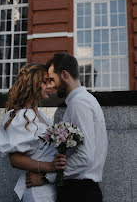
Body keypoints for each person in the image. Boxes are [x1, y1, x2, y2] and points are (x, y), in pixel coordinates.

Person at [27, 52, 108, 202]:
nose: (50, 85)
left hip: (78, 192)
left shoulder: (79, 103)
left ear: (64, 74)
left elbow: (85, 157)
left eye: (52, 79)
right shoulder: (81, 101)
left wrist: (46, 178)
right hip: (80, 191)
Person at [0, 63, 65, 202]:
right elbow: (15, 160)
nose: (49, 87)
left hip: (47, 185)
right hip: (37, 193)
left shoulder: (41, 115)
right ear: (33, 84)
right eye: (45, 82)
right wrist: (50, 167)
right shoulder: (18, 116)